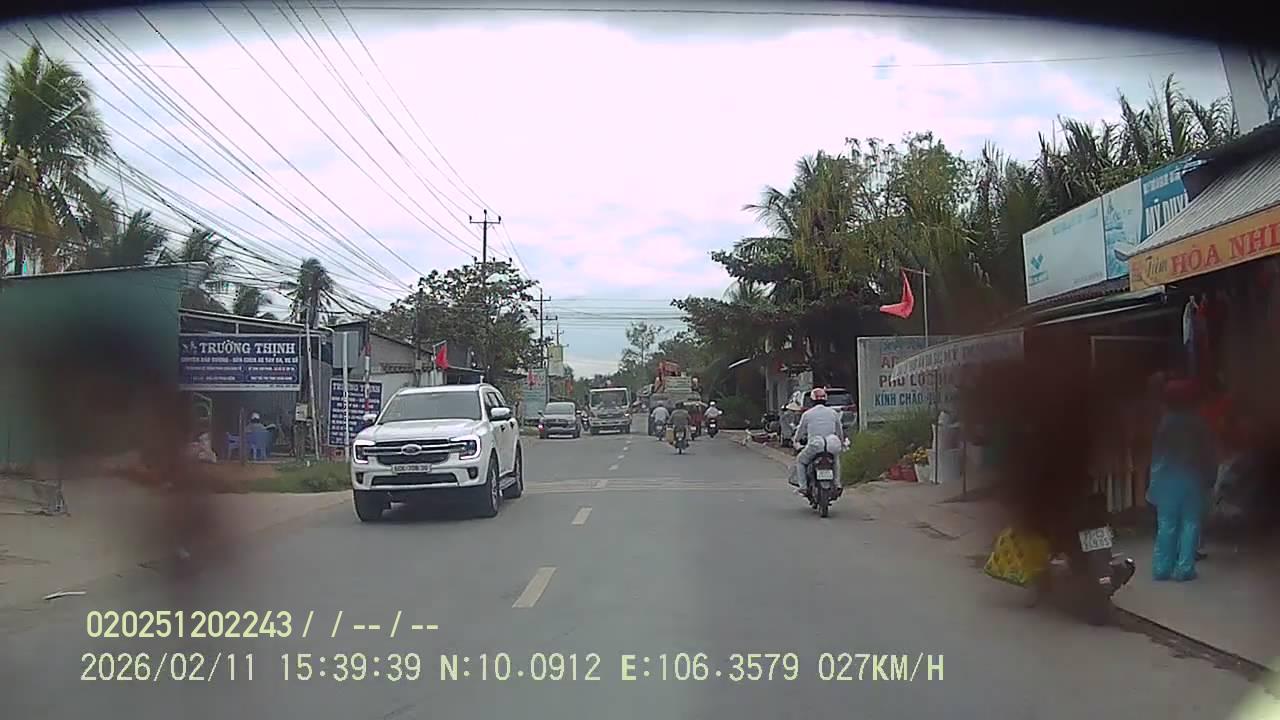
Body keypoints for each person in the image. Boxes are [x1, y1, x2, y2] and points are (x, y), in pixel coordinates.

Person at [1147, 379, 1216, 582]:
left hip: (1167, 479)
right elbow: (1208, 453)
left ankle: (1162, 568)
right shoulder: (1198, 424)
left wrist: (1154, 482)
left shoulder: (1164, 423)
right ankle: (1185, 568)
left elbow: (1157, 456)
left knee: (1166, 524)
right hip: (1192, 478)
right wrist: (1210, 476)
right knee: (1190, 523)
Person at [791, 387, 846, 495]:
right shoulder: (833, 413)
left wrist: (796, 440)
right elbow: (839, 431)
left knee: (800, 461)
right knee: (835, 460)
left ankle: (803, 487)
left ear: (812, 400)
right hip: (831, 444)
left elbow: (800, 431)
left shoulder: (807, 414)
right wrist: (842, 442)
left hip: (815, 445)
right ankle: (837, 484)